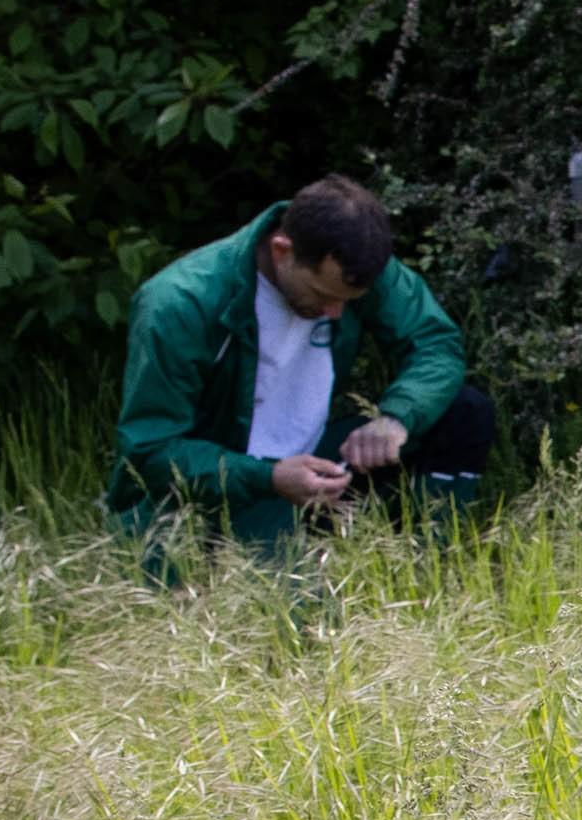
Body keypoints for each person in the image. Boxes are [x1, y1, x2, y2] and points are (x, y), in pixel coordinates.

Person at [108, 176, 495, 555]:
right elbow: (151, 450)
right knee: (298, 616)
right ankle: (245, 546)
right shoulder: (179, 304)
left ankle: (432, 557)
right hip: (230, 480)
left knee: (464, 411)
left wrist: (395, 419)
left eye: (348, 300)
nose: (335, 312)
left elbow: (436, 344)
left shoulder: (355, 264)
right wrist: (269, 478)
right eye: (323, 295)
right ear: (282, 250)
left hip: (323, 463)